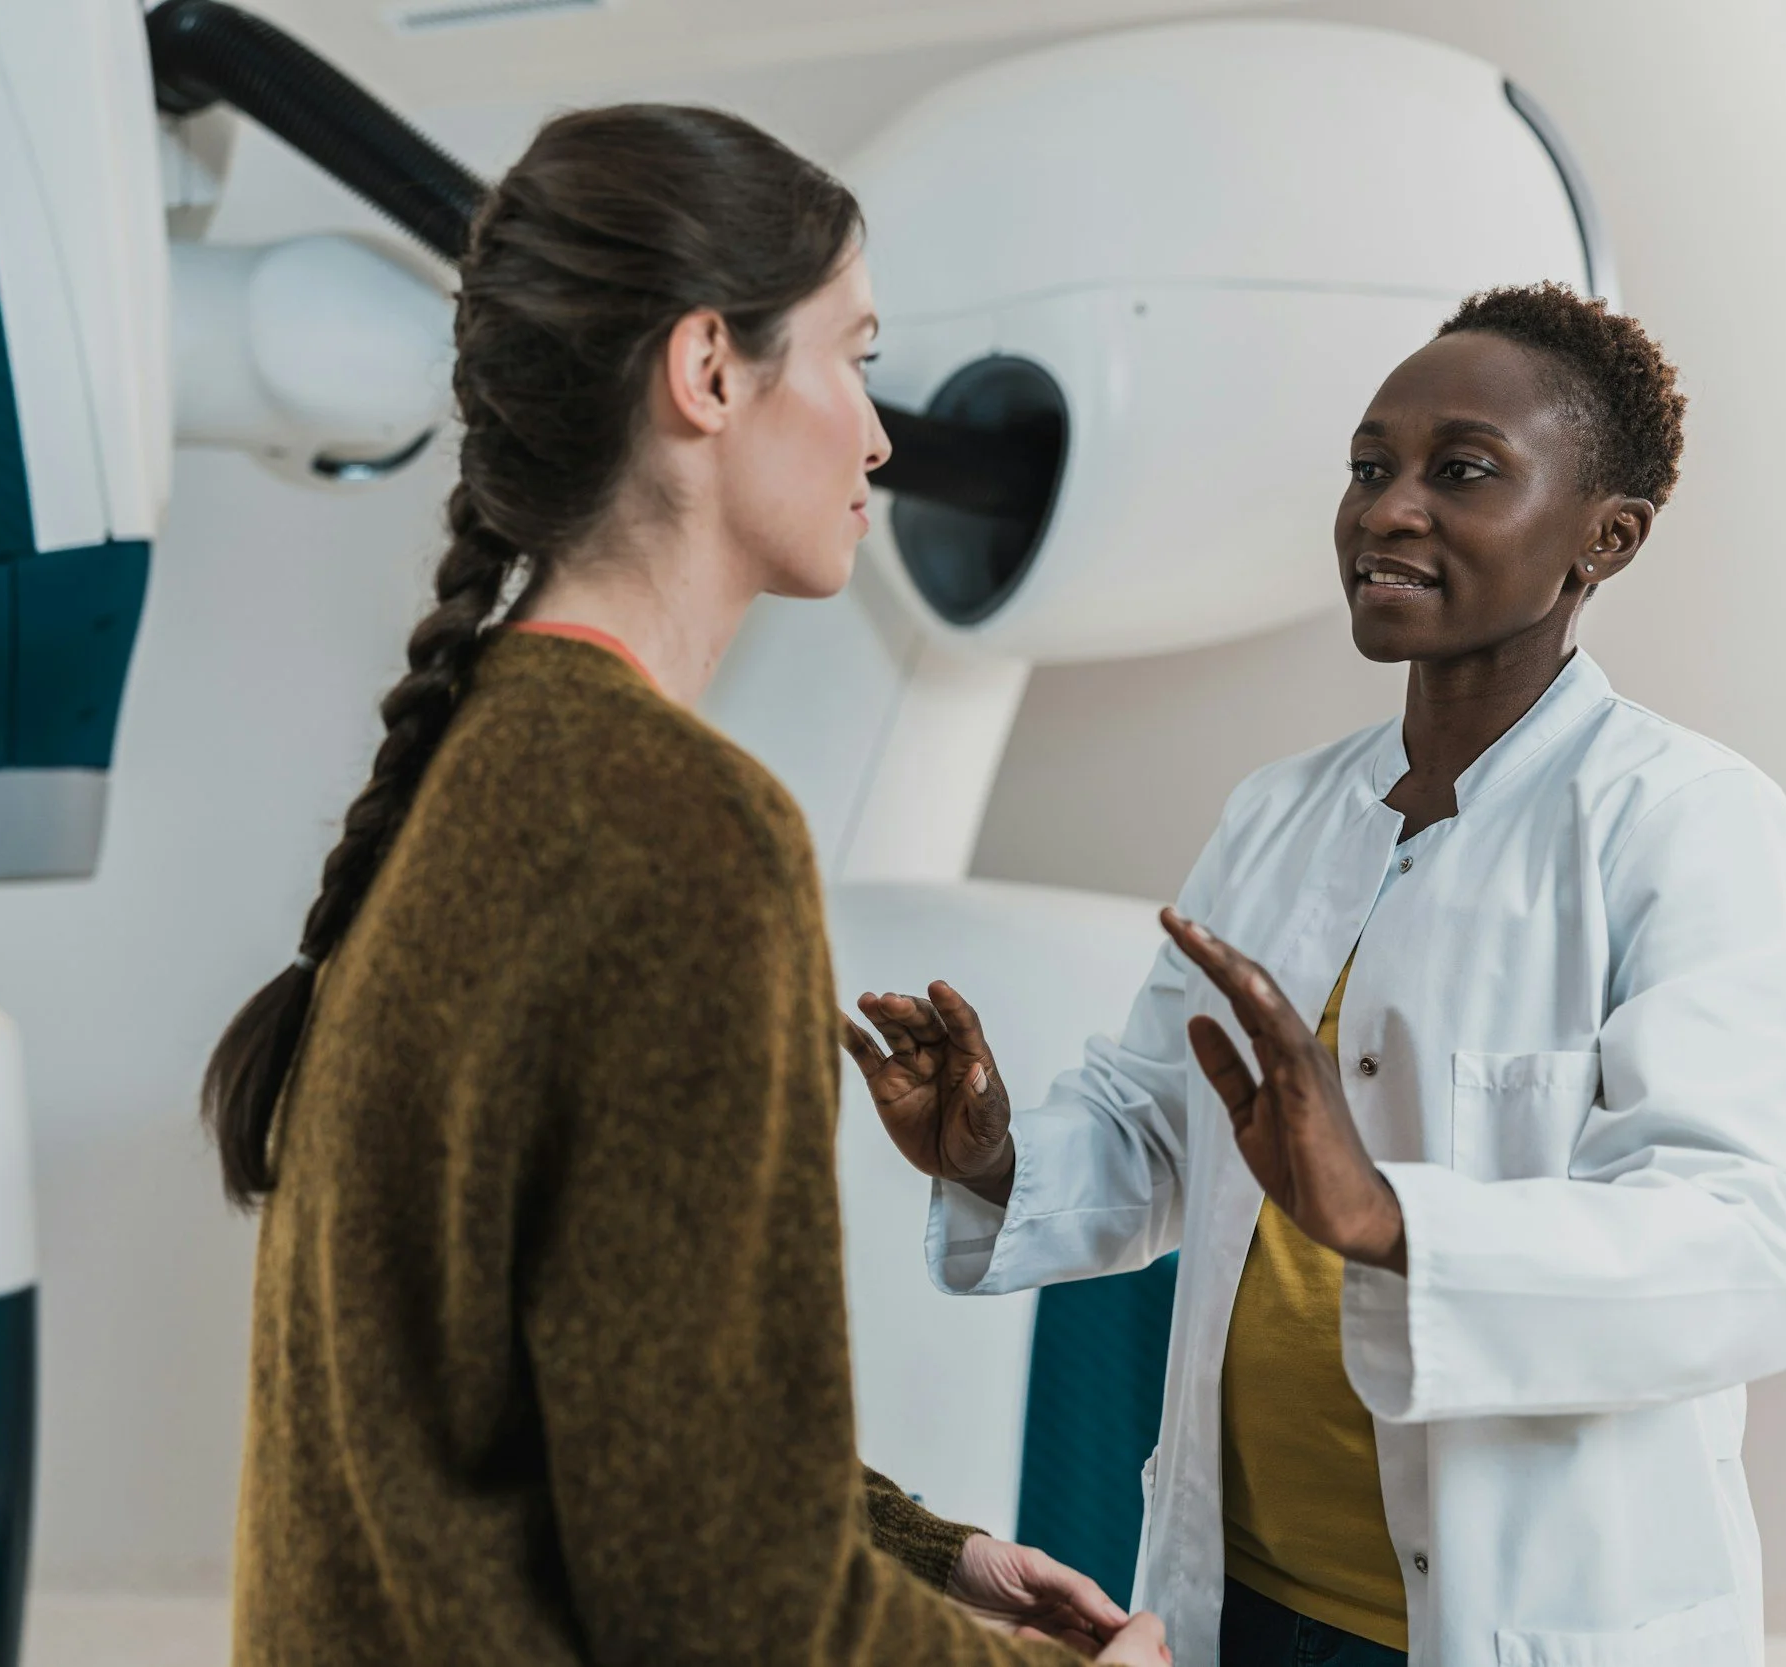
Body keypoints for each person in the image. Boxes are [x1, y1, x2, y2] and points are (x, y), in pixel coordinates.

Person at [205, 104, 1171, 1667]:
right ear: (708, 369)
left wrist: (939, 1553)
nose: (878, 433)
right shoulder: (687, 833)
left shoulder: (479, 769)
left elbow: (618, 1426)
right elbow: (727, 1608)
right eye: (854, 354)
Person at [845, 284, 1786, 1667]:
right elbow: (1156, 1131)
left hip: (1515, 1620)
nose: (1387, 509)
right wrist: (994, 1154)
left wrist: (1395, 1221)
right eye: (1370, 467)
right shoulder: (1278, 815)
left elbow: (1762, 1242)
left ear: (1602, 538)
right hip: (1239, 1596)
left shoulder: (1687, 824)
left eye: (1462, 472)